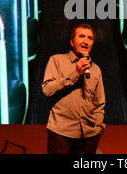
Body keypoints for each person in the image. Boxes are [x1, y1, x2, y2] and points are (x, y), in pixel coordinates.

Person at [42, 23, 106, 154]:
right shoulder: (56, 60)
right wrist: (75, 74)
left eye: (90, 38)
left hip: (89, 135)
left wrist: (98, 128)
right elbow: (47, 89)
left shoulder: (96, 69)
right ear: (72, 42)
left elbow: (100, 103)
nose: (86, 41)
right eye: (81, 36)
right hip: (61, 132)